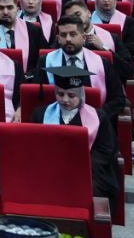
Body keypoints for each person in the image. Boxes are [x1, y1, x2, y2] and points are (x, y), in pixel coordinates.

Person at [32, 67, 119, 200]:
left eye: (71, 95)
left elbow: (105, 150)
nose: (65, 100)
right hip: (50, 169)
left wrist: (78, 169)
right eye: (60, 94)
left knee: (89, 190)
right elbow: (34, 147)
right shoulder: (40, 114)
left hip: (89, 171)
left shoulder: (99, 117)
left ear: (80, 94)